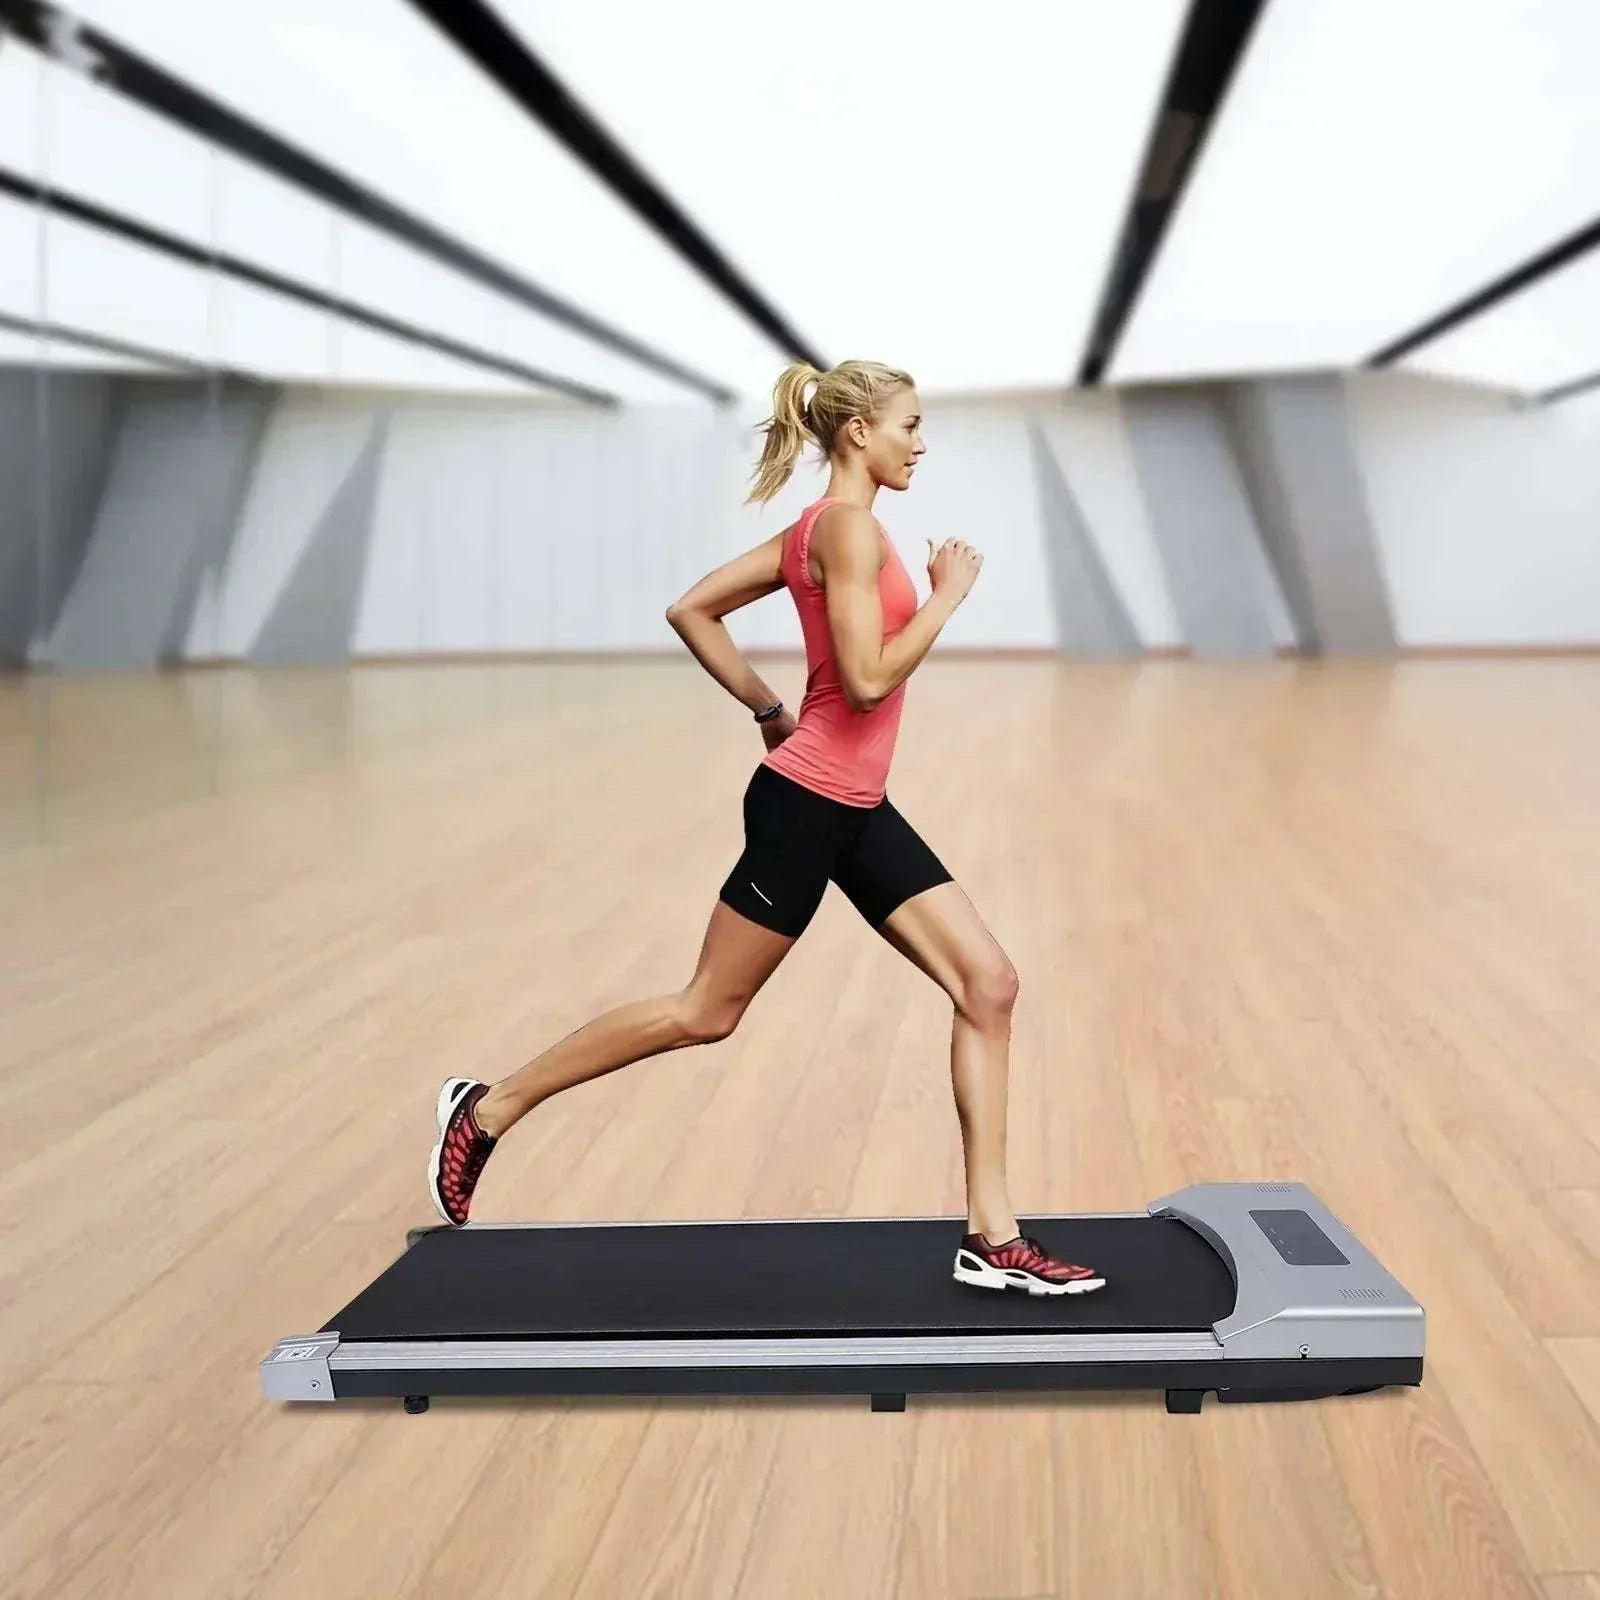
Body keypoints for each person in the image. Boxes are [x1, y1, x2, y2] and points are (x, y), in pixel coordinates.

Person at [427, 358, 1104, 1297]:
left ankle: (992, 1238)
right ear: (858, 432)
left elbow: (690, 608)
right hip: (806, 806)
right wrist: (947, 599)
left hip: (851, 801)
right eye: (909, 424)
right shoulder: (851, 530)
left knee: (988, 985)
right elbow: (867, 681)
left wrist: (767, 708)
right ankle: (488, 1107)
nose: (921, 442)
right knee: (708, 1010)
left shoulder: (816, 533)